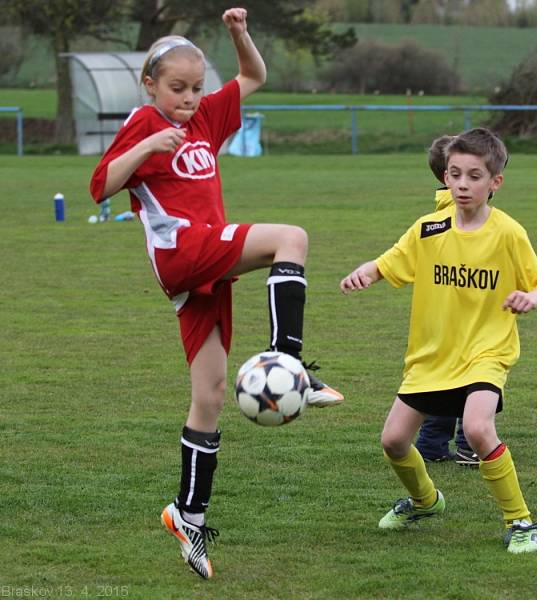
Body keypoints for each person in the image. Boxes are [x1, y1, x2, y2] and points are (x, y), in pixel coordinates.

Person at [89, 8, 343, 579]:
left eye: (195, 87)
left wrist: (237, 35)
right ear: (149, 84)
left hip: (201, 265)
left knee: (209, 394)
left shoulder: (203, 116)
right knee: (291, 237)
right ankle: (290, 362)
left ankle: (188, 516)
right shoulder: (143, 121)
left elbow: (254, 77)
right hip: (183, 249)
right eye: (176, 87)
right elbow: (100, 186)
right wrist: (148, 145)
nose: (187, 97)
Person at [340, 128, 537, 554]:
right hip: (431, 356)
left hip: (486, 352)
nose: (461, 183)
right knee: (393, 441)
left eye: (474, 176)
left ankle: (521, 522)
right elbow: (389, 261)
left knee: (478, 428)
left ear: (495, 183)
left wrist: (531, 297)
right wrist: (367, 272)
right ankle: (425, 502)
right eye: (454, 174)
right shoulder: (429, 228)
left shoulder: (508, 233)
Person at [415, 134, 478, 467]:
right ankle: (470, 445)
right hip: (468, 313)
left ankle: (431, 444)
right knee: (478, 380)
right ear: (449, 177)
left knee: (445, 379)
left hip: (442, 317)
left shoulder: (441, 212)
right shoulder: (457, 216)